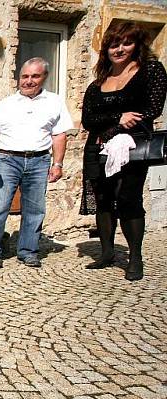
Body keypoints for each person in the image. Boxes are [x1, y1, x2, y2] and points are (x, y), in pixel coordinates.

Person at [80, 22, 167, 281]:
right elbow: (88, 119)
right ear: (106, 49)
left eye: (126, 43)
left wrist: (112, 125)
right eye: (114, 44)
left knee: (128, 198)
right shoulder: (98, 84)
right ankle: (106, 253)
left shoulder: (150, 71)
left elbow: (151, 110)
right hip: (97, 147)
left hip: (132, 146)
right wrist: (118, 117)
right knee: (103, 199)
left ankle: (135, 257)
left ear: (137, 45)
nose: (119, 49)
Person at [0, 58, 74, 268]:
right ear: (19, 78)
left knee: (35, 208)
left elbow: (59, 135)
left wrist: (57, 164)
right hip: (8, 159)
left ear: (44, 77)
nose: (29, 81)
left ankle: (28, 251)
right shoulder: (5, 104)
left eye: (35, 76)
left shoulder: (55, 101)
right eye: (25, 76)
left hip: (39, 159)